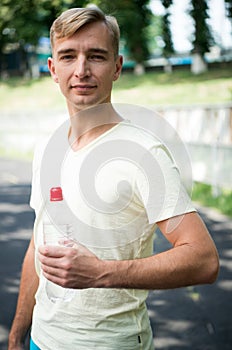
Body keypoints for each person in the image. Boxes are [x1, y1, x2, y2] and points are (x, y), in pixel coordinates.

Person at [8, 7, 219, 350]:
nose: (81, 70)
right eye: (68, 56)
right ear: (52, 69)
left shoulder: (143, 153)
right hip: (41, 341)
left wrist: (100, 273)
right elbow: (38, 243)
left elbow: (204, 259)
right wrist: (19, 333)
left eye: (96, 56)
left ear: (117, 67)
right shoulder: (47, 145)